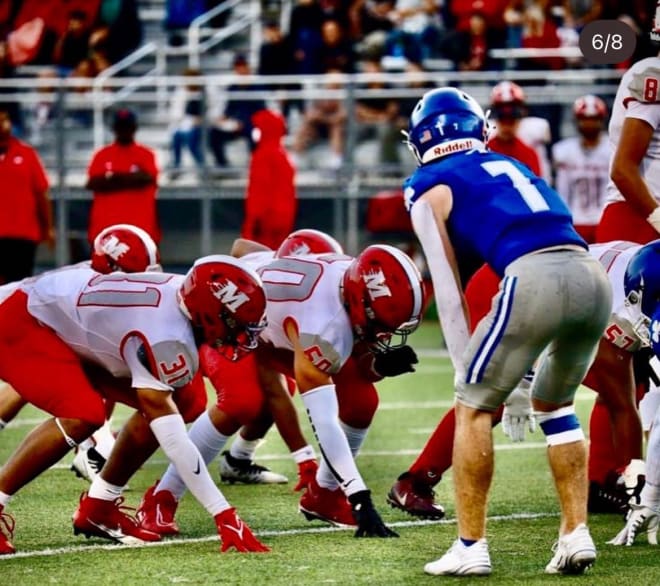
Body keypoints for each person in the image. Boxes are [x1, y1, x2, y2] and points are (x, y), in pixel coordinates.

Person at [402, 87, 611, 575]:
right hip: (590, 271)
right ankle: (575, 534)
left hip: (533, 274)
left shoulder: (426, 182)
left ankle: (471, 545)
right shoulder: (512, 165)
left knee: (472, 406)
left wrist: (467, 376)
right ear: (479, 127)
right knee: (557, 406)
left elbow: (449, 291)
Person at [137, 243, 424, 539]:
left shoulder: (349, 283)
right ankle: (162, 497)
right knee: (241, 402)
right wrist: (359, 497)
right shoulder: (324, 322)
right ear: (359, 301)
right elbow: (323, 422)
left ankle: (324, 495)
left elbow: (242, 246)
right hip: (229, 321)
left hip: (274, 327)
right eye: (382, 323)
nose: (386, 333)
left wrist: (378, 367)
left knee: (361, 402)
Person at [0, 255, 269, 555]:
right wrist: (223, 513)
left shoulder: (183, 300)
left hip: (69, 322)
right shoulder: (166, 335)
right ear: (207, 311)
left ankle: (99, 505)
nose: (241, 333)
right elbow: (173, 439)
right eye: (234, 321)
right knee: (83, 414)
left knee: (187, 400)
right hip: (23, 318)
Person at [388, 237, 655, 519]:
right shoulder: (616, 302)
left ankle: (604, 482)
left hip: (557, 290)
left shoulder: (644, 272)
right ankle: (414, 482)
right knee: (498, 396)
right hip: (505, 287)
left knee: (631, 383)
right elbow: (620, 403)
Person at [0, 222, 162, 467]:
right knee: (77, 399)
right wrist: (101, 441)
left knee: (49, 376)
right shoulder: (89, 294)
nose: (142, 284)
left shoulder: (99, 284)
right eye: (134, 276)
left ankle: (92, 450)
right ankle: (94, 452)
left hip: (23, 327)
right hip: (11, 323)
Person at [86, 108, 160, 247]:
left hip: (141, 232)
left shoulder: (146, 154)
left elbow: (146, 179)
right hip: (105, 232)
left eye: (127, 126)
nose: (124, 130)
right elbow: (93, 183)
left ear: (134, 128)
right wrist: (131, 179)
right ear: (114, 128)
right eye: (120, 127)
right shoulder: (102, 155)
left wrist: (113, 179)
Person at [0, 105, 54, 286]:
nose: (2, 125)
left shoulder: (26, 153)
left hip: (22, 233)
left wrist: (47, 228)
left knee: (18, 287)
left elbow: (41, 193)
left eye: (4, 120)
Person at [552, 95, 610, 244]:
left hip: (604, 218)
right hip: (576, 219)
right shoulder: (564, 150)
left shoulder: (612, 148)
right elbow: (562, 191)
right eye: (585, 119)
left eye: (593, 119)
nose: (589, 124)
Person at [241, 109, 297, 250]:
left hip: (266, 220)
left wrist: (253, 220)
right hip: (284, 217)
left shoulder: (262, 155)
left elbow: (260, 190)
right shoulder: (282, 155)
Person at [208, 54, 266, 168]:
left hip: (252, 124)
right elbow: (229, 108)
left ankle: (257, 166)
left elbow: (260, 109)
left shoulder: (257, 86)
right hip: (235, 124)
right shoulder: (232, 87)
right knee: (214, 134)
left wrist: (243, 121)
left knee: (256, 135)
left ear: (248, 67)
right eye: (237, 66)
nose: (240, 69)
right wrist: (224, 117)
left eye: (242, 66)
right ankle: (222, 165)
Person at [486, 81, 543, 178]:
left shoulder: (529, 154)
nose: (507, 123)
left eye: (513, 115)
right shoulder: (484, 151)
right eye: (502, 116)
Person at [168, 68, 205, 179]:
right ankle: (176, 166)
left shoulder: (205, 92)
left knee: (191, 137)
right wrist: (186, 120)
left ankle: (202, 167)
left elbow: (213, 109)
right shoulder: (180, 93)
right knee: (176, 136)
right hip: (184, 124)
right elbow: (175, 113)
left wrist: (202, 120)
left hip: (202, 125)